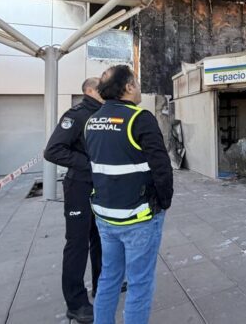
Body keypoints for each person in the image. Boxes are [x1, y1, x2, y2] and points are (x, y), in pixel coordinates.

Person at [85, 65, 173, 324]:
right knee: (139, 284)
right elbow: (162, 168)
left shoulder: (92, 121)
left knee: (109, 278)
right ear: (128, 87)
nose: (139, 87)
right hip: (139, 218)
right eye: (136, 81)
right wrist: (163, 203)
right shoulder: (139, 118)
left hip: (105, 217)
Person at [44, 78, 103, 324]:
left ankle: (102, 284)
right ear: (89, 90)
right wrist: (89, 164)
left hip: (99, 187)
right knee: (77, 244)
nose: (106, 90)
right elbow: (53, 150)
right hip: (79, 186)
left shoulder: (102, 114)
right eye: (101, 87)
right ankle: (76, 304)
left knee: (100, 238)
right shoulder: (76, 115)